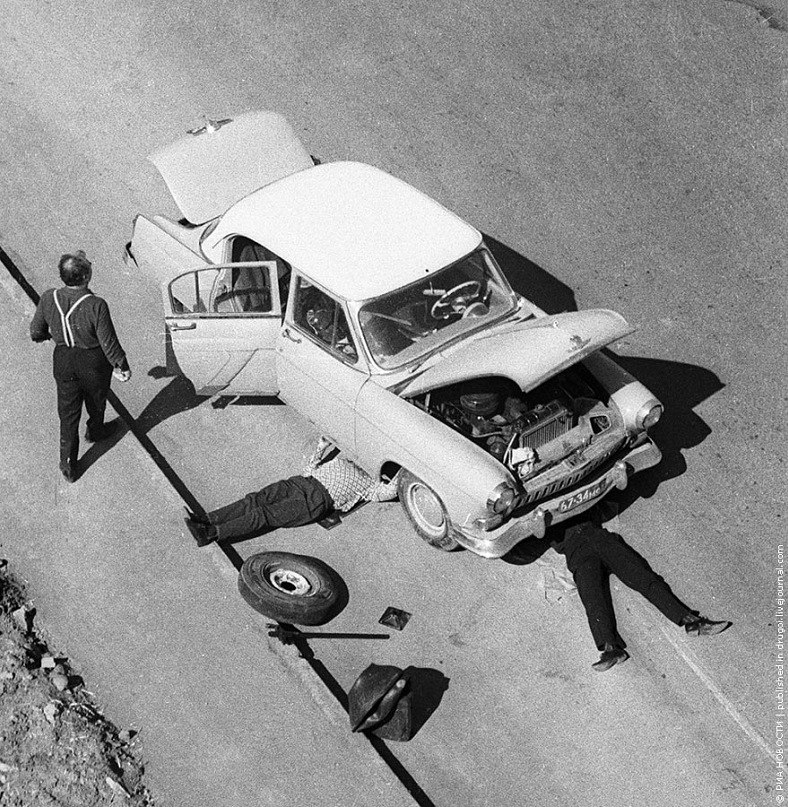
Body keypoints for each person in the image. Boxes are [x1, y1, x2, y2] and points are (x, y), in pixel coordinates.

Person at [549, 511, 732, 672]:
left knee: (644, 578)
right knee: (593, 599)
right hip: (577, 551)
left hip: (600, 538)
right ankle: (611, 649)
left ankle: (692, 622)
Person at [184, 438, 399, 547]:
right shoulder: (347, 459)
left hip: (314, 502)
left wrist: (404, 472)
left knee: (263, 515)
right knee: (254, 500)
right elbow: (310, 469)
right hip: (299, 482)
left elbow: (388, 492)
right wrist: (321, 447)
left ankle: (211, 533)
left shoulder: (370, 485)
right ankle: (205, 520)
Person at [30, 251, 131, 482]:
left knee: (67, 413)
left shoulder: (49, 297)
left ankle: (68, 465)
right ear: (86, 277)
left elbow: (36, 331)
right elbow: (108, 342)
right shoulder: (96, 305)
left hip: (63, 361)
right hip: (93, 363)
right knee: (96, 400)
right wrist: (121, 365)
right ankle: (95, 431)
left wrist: (48, 337)